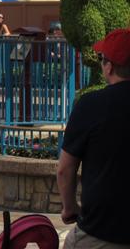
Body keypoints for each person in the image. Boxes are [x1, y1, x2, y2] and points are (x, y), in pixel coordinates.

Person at [57, 28, 130, 248]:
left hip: (101, 232)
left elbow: (64, 169)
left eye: (101, 58)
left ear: (109, 66)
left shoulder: (91, 104)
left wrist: (69, 208)